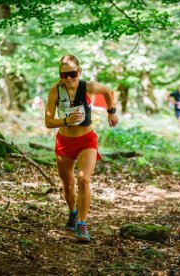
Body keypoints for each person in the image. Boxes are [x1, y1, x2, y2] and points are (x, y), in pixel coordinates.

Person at [45, 54, 118, 242]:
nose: (68, 78)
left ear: (79, 71)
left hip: (87, 140)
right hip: (64, 142)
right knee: (68, 184)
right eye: (64, 75)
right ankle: (73, 212)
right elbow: (48, 121)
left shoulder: (89, 87)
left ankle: (82, 225)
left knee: (83, 179)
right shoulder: (55, 91)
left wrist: (111, 112)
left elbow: (108, 91)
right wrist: (66, 121)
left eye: (72, 74)